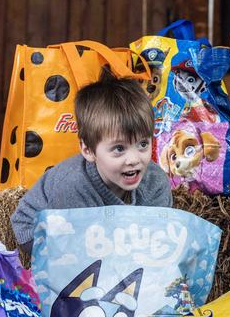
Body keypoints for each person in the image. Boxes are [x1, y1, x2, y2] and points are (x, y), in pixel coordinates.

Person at [11, 69, 173, 254]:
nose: (134, 159)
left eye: (142, 144)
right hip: (44, 229)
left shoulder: (156, 182)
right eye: (119, 149)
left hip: (109, 234)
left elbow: (159, 238)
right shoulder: (72, 186)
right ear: (88, 150)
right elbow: (74, 251)